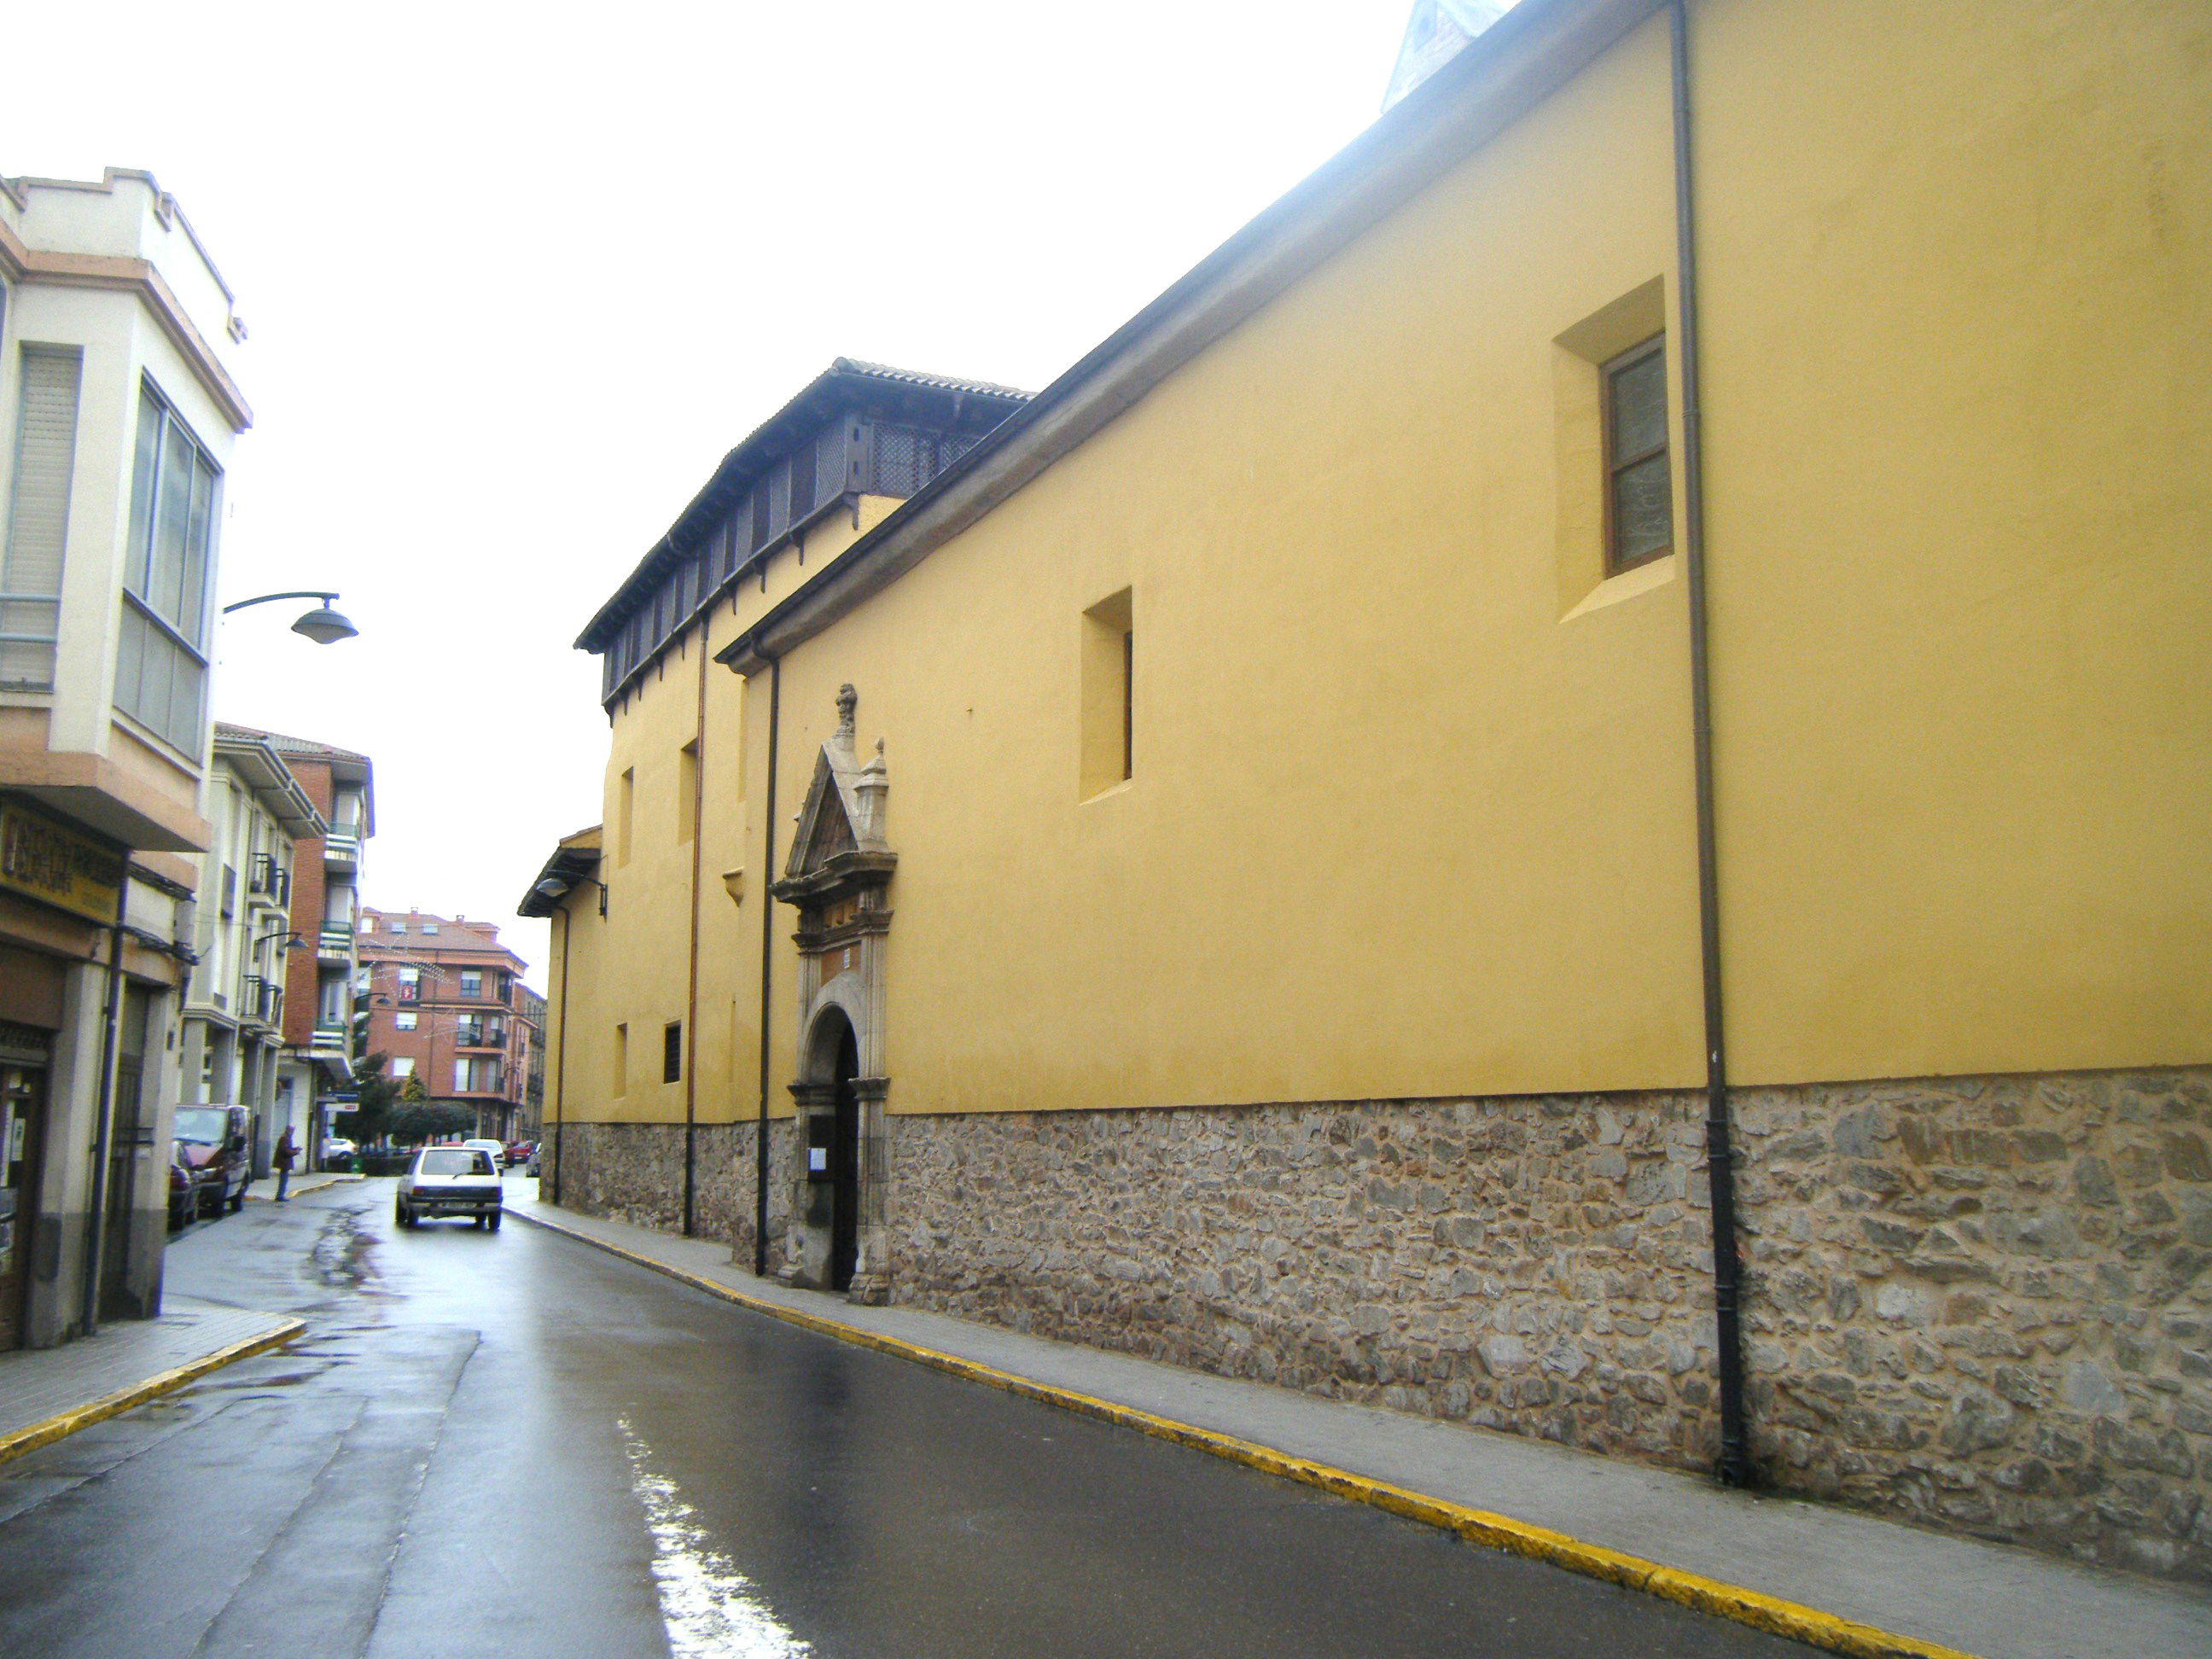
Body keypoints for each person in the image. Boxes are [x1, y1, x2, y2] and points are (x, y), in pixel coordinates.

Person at [273, 1126, 296, 1202]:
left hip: (285, 1163)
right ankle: (280, 1196)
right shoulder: (285, 1138)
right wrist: (295, 1152)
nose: (293, 1132)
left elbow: (287, 1149)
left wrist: (294, 1149)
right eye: (292, 1130)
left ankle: (281, 1195)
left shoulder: (286, 1138)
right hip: (284, 1163)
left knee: (284, 1180)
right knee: (283, 1180)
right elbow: (285, 1151)